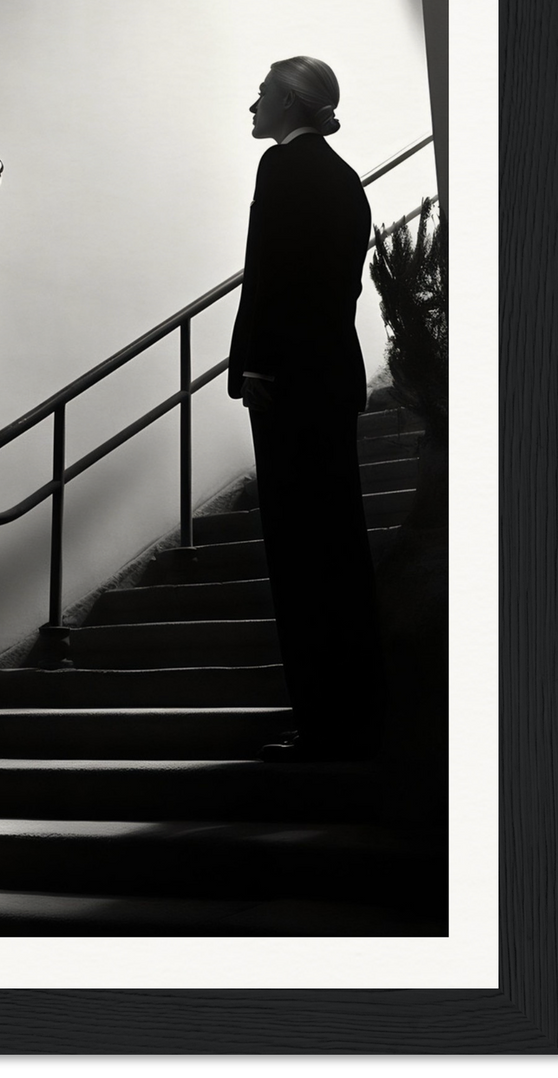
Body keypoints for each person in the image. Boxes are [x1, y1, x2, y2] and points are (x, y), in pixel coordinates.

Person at [227, 56, 385, 760]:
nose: (250, 105)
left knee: (300, 556)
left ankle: (323, 724)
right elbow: (332, 289)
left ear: (289, 101)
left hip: (287, 384)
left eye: (261, 94)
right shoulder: (341, 175)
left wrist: (254, 362)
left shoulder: (285, 170)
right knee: (337, 549)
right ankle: (349, 718)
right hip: (325, 378)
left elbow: (274, 276)